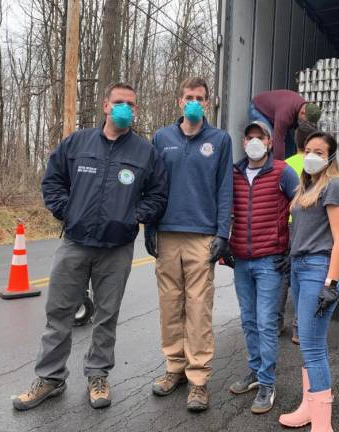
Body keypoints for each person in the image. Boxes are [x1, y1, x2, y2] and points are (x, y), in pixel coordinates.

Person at [12, 83, 168, 411]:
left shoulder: (145, 152)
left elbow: (157, 194)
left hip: (117, 246)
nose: (126, 108)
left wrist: (134, 217)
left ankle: (98, 375)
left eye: (131, 104)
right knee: (59, 312)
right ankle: (50, 378)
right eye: (119, 102)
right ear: (105, 106)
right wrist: (68, 211)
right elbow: (52, 180)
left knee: (106, 315)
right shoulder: (77, 143)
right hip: (75, 243)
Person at [145, 77, 233, 412]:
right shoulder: (161, 138)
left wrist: (222, 233)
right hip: (167, 233)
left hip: (202, 235)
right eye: (188, 97)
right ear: (179, 102)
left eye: (199, 97)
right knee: (170, 305)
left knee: (198, 309)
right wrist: (149, 226)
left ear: (207, 103)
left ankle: (198, 380)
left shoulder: (219, 140)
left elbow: (225, 189)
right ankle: (174, 368)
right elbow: (152, 185)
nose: (193, 102)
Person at [278, 132, 339, 431]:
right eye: (308, 150)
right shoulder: (305, 186)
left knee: (311, 344)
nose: (311, 155)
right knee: (311, 342)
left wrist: (331, 283)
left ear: (331, 157)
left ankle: (323, 424)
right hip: (300, 266)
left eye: (319, 152)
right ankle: (309, 407)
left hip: (318, 269)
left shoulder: (335, 185)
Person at [228, 120, 298, 414]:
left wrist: (291, 248)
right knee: (248, 320)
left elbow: (302, 205)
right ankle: (256, 372)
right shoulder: (234, 173)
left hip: (271, 259)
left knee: (266, 322)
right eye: (250, 137)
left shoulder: (283, 172)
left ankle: (268, 383)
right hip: (241, 259)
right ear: (244, 142)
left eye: (261, 137)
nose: (255, 141)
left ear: (270, 142)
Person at [278, 120, 318, 345]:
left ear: (296, 142)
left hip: (287, 225)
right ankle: (299, 331)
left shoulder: (285, 165)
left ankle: (275, 324)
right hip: (309, 228)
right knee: (304, 277)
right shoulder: (319, 165)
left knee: (283, 275)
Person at [249, 90, 322, 160]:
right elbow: (278, 140)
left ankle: (288, 165)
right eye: (306, 121)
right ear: (302, 113)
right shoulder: (285, 114)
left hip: (275, 114)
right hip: (258, 109)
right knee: (269, 140)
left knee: (289, 146)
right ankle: (266, 168)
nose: (306, 124)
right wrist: (279, 167)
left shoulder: (302, 107)